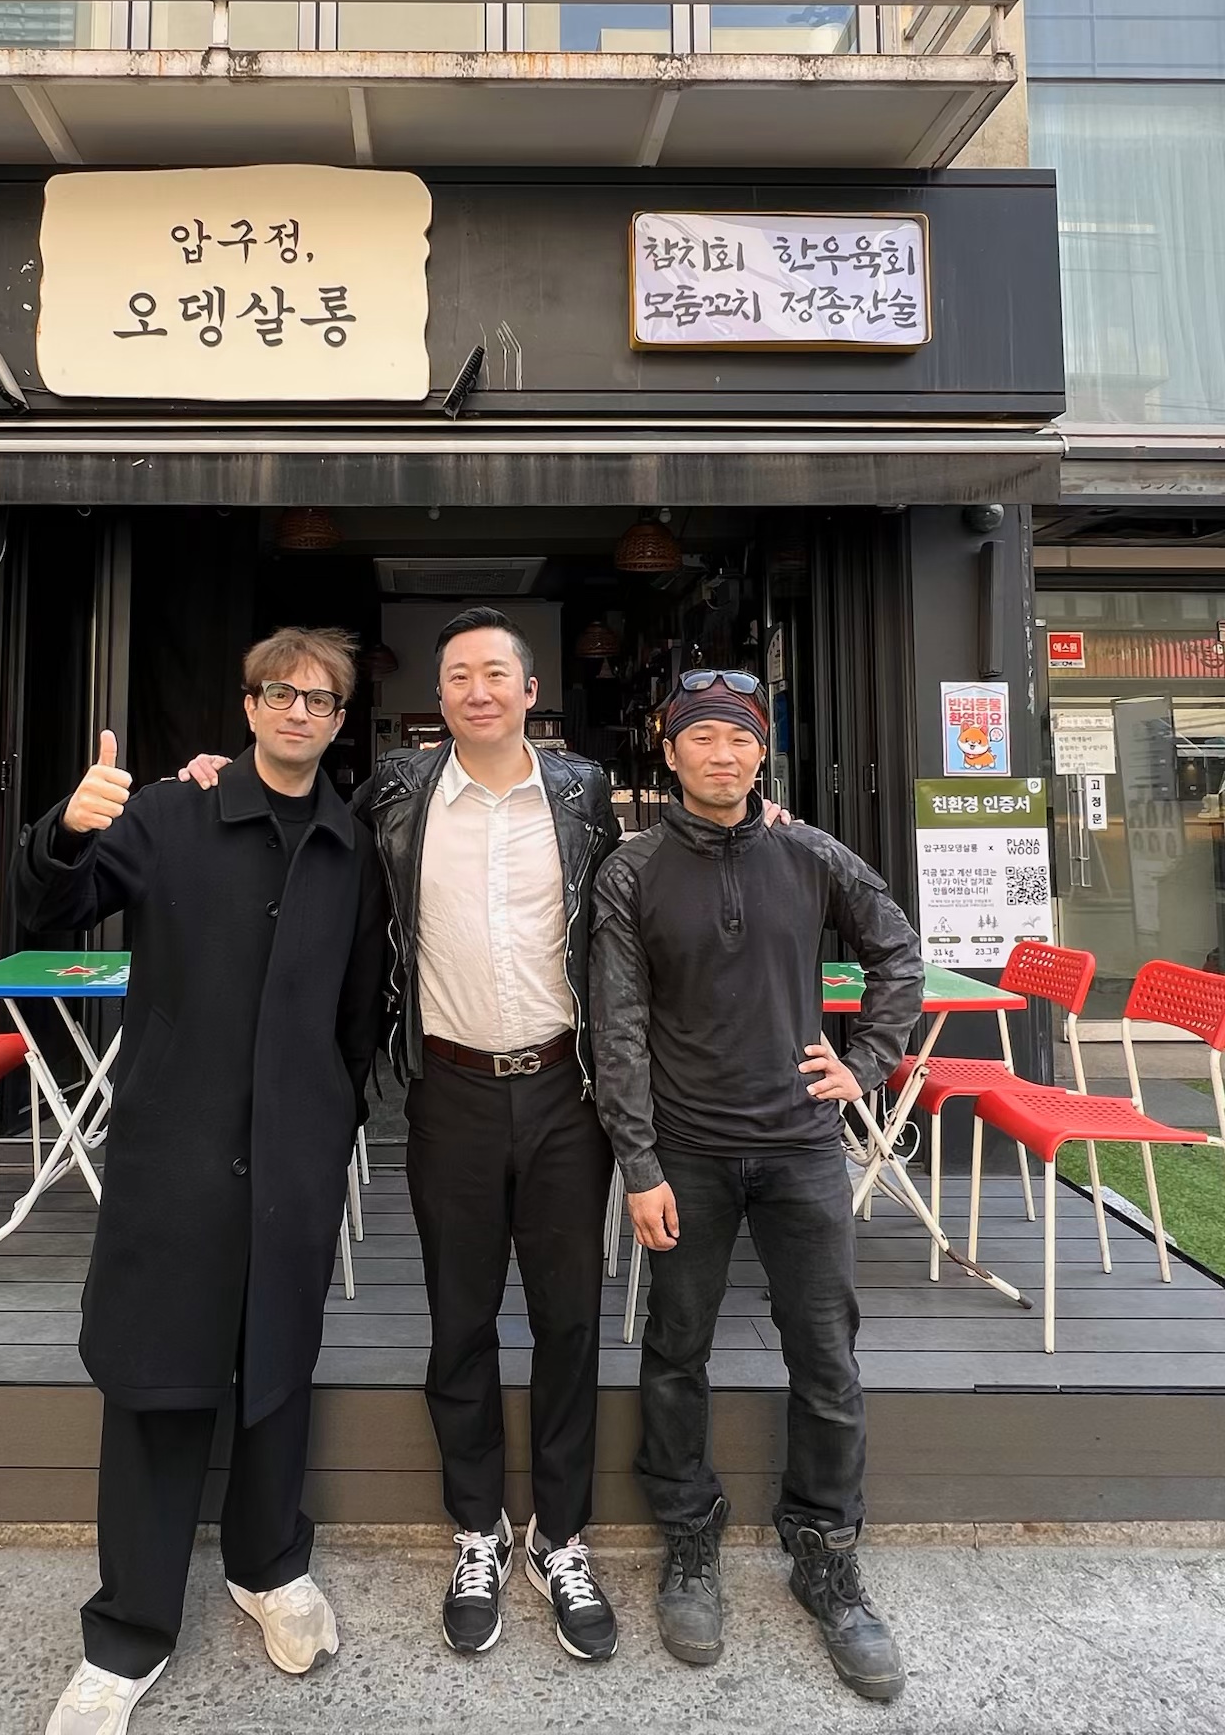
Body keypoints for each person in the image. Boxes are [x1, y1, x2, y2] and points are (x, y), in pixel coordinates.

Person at [185, 607, 624, 1663]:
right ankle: (478, 1529)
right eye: (459, 674)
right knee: (459, 1321)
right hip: (450, 1089)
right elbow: (303, 834)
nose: (478, 690)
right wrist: (215, 778)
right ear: (440, 695)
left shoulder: (583, 793)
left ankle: (560, 1538)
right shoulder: (395, 790)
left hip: (566, 1090)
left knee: (569, 1322)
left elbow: (636, 897)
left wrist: (756, 819)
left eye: (496, 673)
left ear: (529, 691)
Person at [17, 627, 386, 1735]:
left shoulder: (351, 845)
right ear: (249, 703)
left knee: (278, 1365)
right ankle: (127, 1632)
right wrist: (64, 828)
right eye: (280, 691)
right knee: (155, 1378)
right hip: (174, 1150)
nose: (298, 710)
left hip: (294, 1157)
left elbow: (360, 1004)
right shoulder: (173, 814)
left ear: (339, 720)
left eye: (320, 698)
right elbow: (54, 909)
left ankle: (270, 1564)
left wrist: (332, 1117)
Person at [589, 669, 922, 1703]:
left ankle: (825, 1550)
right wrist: (639, 1162)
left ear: (760, 751)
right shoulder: (631, 869)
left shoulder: (811, 851)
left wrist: (865, 1061)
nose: (723, 754)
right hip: (685, 1150)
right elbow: (617, 1026)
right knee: (675, 1348)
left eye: (740, 738)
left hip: (801, 1148)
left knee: (825, 1353)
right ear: (670, 751)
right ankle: (689, 1538)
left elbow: (898, 951)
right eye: (703, 738)